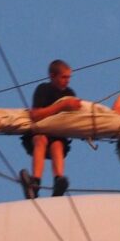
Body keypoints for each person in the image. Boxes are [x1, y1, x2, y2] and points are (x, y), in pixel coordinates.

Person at [20, 59, 82, 199]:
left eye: (69, 77)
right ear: (52, 76)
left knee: (57, 145)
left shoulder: (70, 93)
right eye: (63, 77)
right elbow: (35, 114)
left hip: (57, 134)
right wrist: (62, 105)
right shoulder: (44, 89)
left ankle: (58, 180)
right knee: (40, 139)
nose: (67, 81)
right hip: (40, 131)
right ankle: (35, 181)